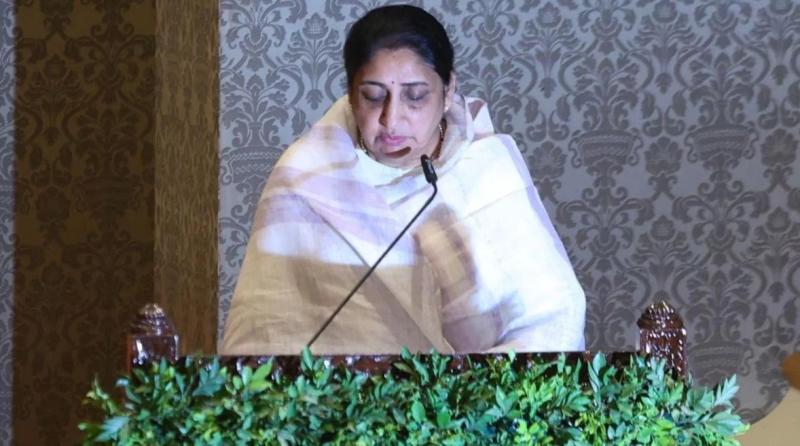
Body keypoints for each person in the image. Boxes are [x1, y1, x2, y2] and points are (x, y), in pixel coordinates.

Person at [221, 5, 585, 355]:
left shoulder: (487, 169)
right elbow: (265, 337)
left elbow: (554, 319)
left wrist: (464, 389)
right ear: (351, 94)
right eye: (373, 97)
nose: (392, 120)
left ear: (448, 91)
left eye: (415, 97)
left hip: (486, 394)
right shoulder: (305, 178)